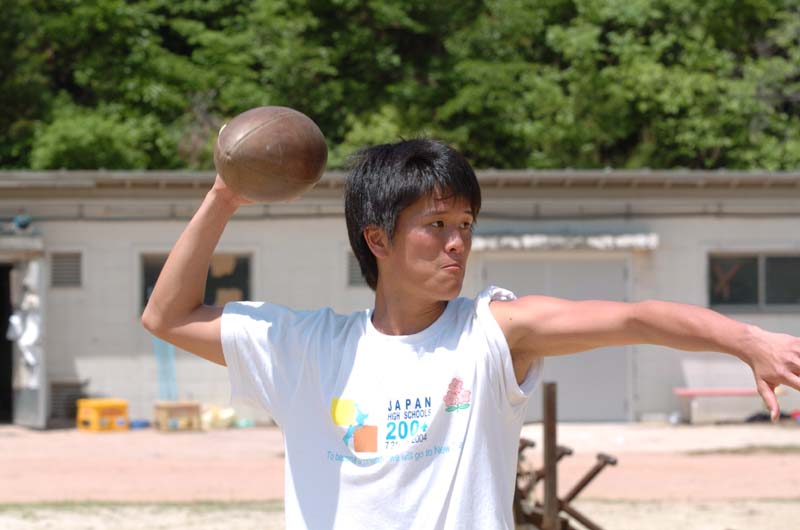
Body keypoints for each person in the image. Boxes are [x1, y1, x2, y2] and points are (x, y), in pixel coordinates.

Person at [142, 138, 800, 529]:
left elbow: (635, 317)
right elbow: (167, 316)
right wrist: (226, 194)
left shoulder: (492, 332)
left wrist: (745, 340)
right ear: (378, 240)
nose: (457, 242)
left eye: (465, 225)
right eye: (436, 226)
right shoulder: (308, 348)